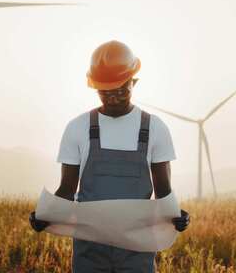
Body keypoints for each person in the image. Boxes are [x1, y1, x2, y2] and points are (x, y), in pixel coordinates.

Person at [29, 40, 190, 272]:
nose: (113, 98)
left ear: (134, 82)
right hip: (90, 250)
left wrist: (177, 216)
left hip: (138, 248)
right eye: (105, 92)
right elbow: (66, 189)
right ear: (95, 87)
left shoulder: (155, 128)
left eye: (121, 90)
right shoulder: (77, 128)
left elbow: (164, 191)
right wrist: (44, 215)